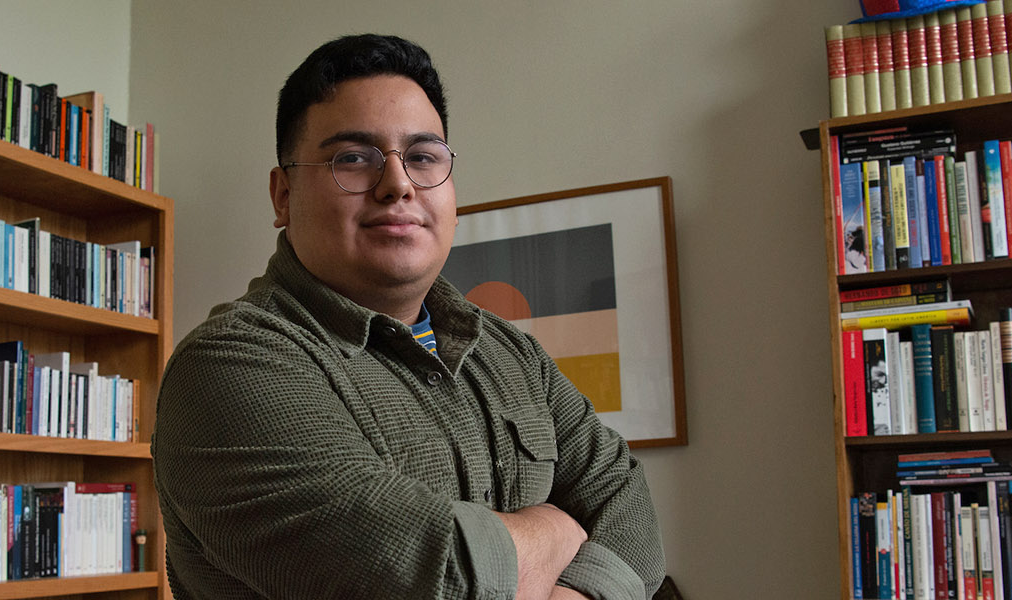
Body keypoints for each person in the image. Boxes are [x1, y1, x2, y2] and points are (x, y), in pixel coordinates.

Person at [152, 34, 666, 600]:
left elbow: (626, 502)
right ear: (282, 195)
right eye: (352, 158)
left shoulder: (510, 354)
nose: (397, 184)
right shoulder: (230, 366)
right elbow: (430, 579)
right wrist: (558, 526)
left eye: (422, 157)